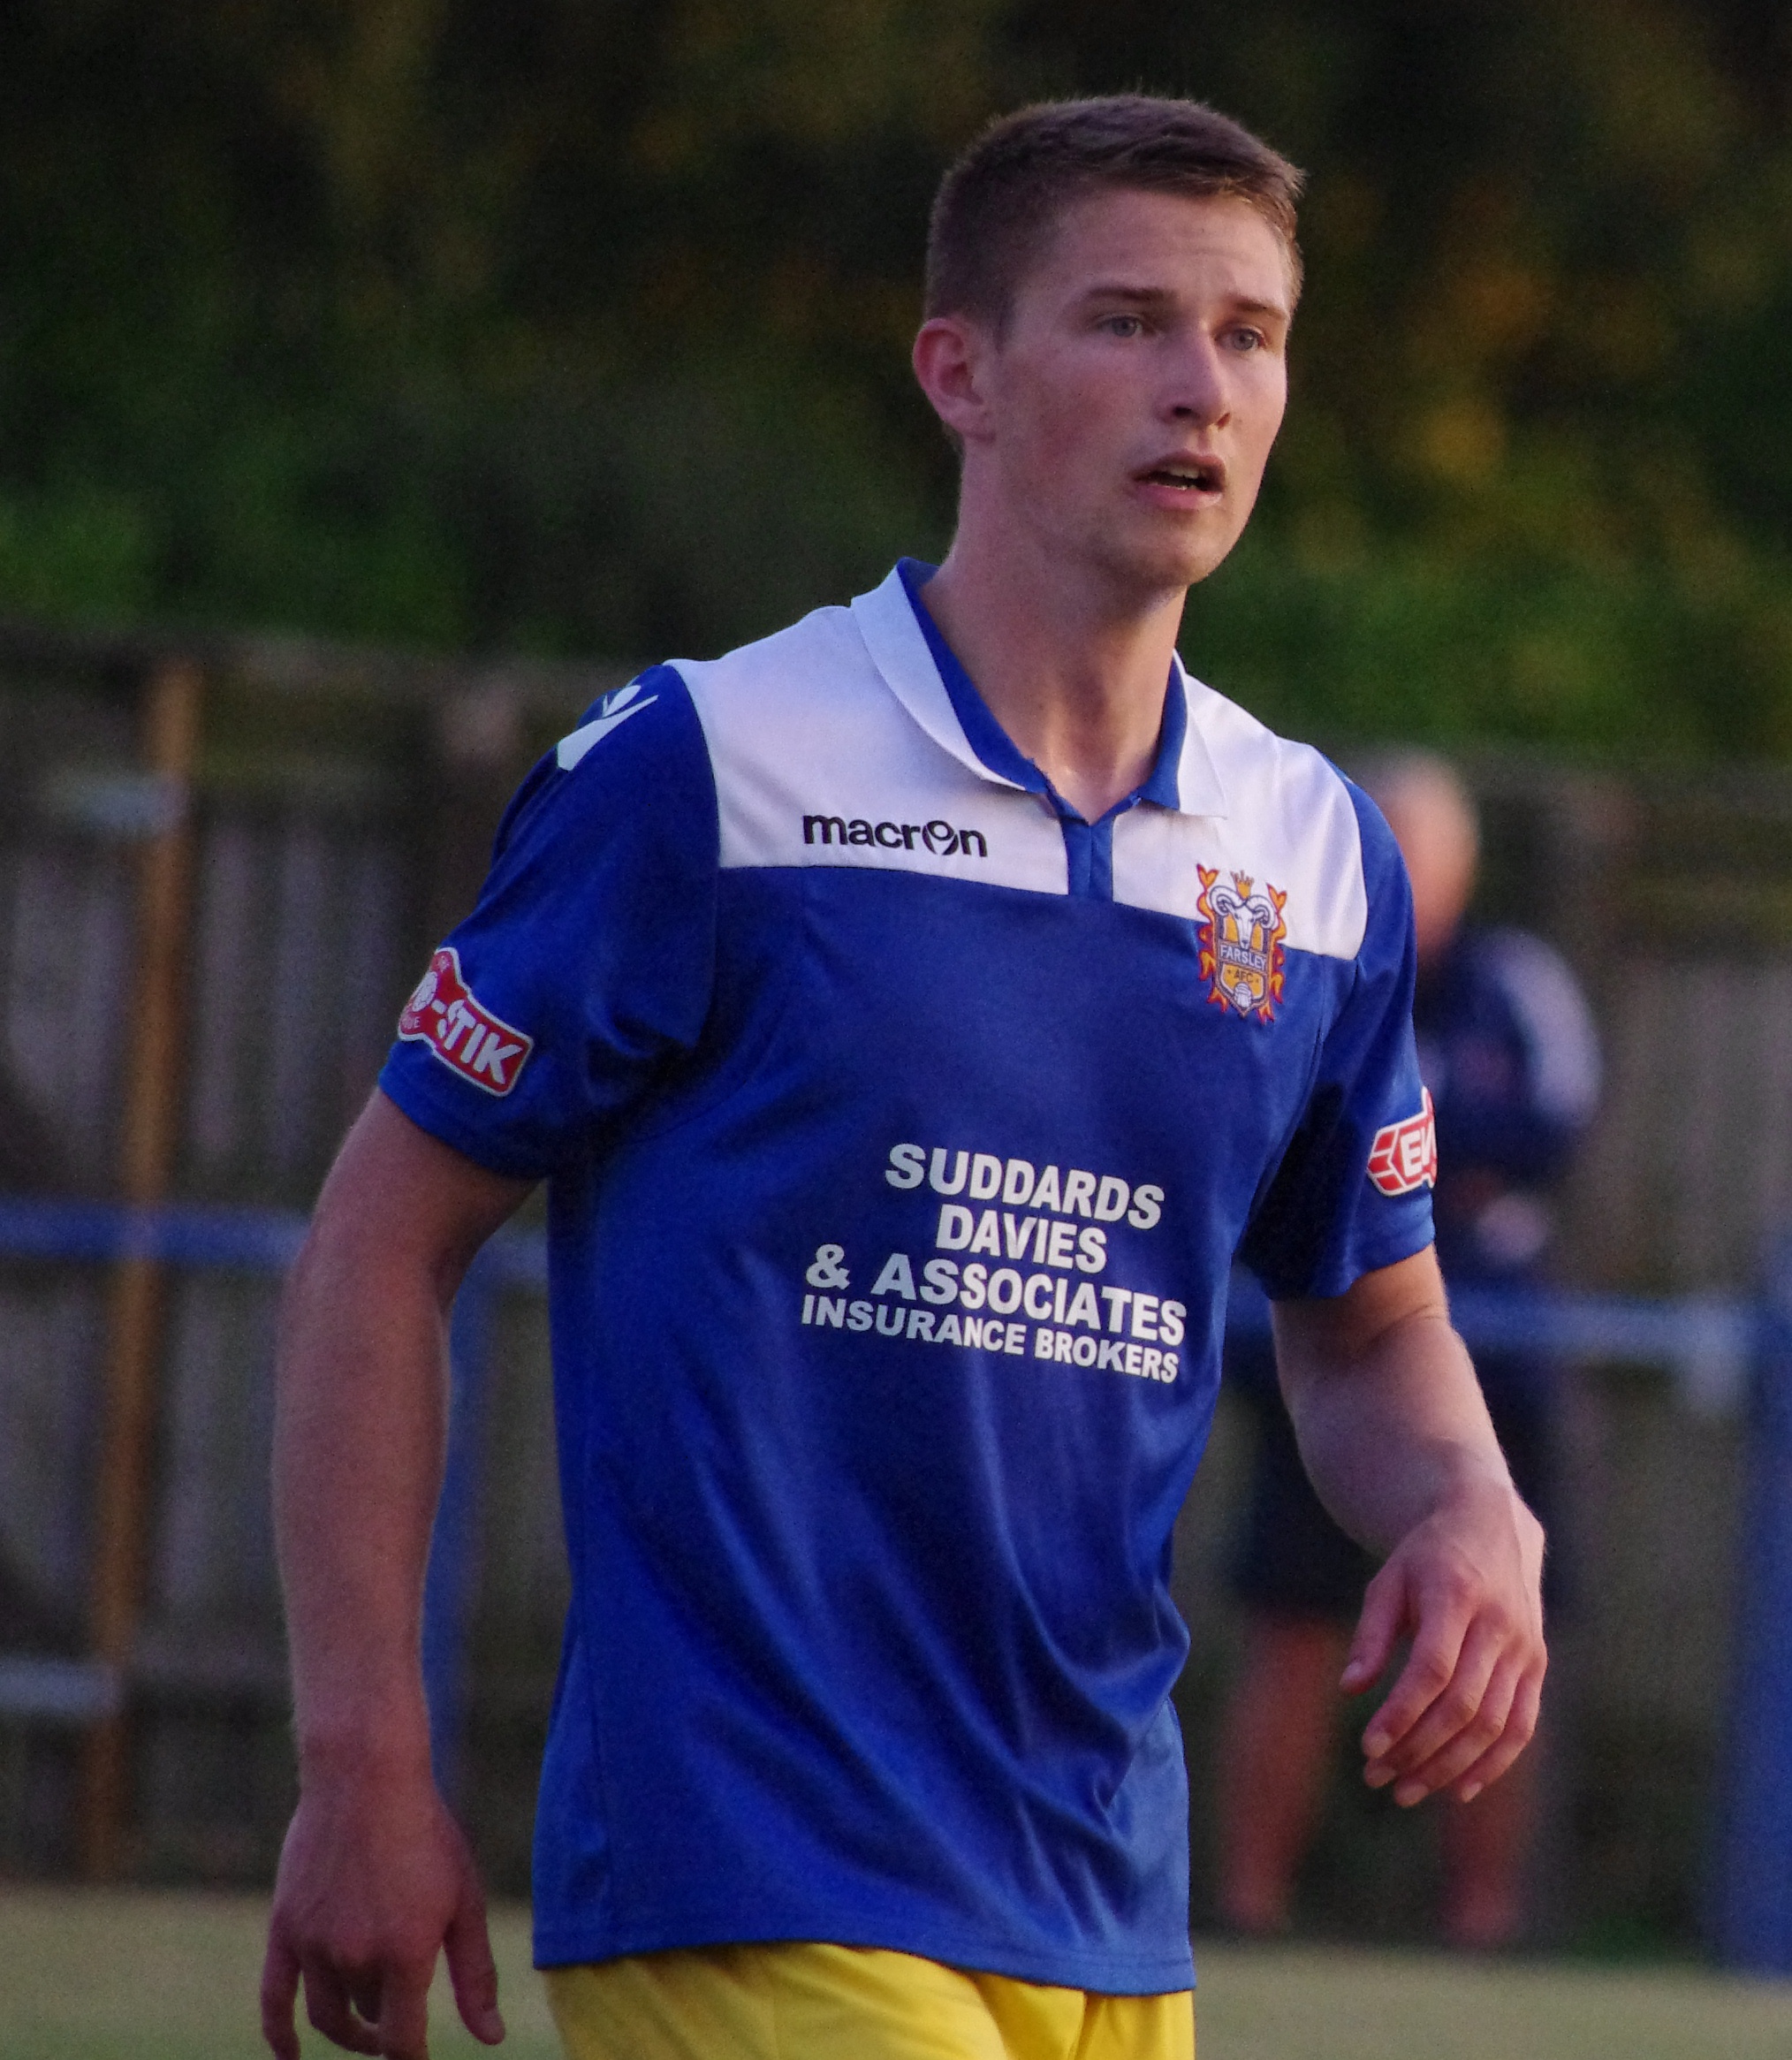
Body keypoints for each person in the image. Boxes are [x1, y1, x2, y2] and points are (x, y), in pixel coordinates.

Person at [262, 97, 1545, 2060]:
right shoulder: (712, 769)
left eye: (1251, 332)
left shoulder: (1317, 858)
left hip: (1107, 1901)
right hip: (746, 1861)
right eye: (1127, 320)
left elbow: (1368, 1330)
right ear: (961, 368)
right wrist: (362, 1757)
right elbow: (380, 1234)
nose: (1199, 387)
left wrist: (1470, 1502)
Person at [1215, 751, 1599, 1950]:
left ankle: (1481, 1917)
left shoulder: (1510, 982)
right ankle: (1247, 1903)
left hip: (1491, 1359)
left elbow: (1553, 1123)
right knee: (1288, 1622)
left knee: (1492, 1626)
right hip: (1320, 1338)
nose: (1406, 873)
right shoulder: (1298, 946)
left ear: (1465, 868)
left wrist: (1409, 1141)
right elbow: (1265, 1122)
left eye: (1426, 852)